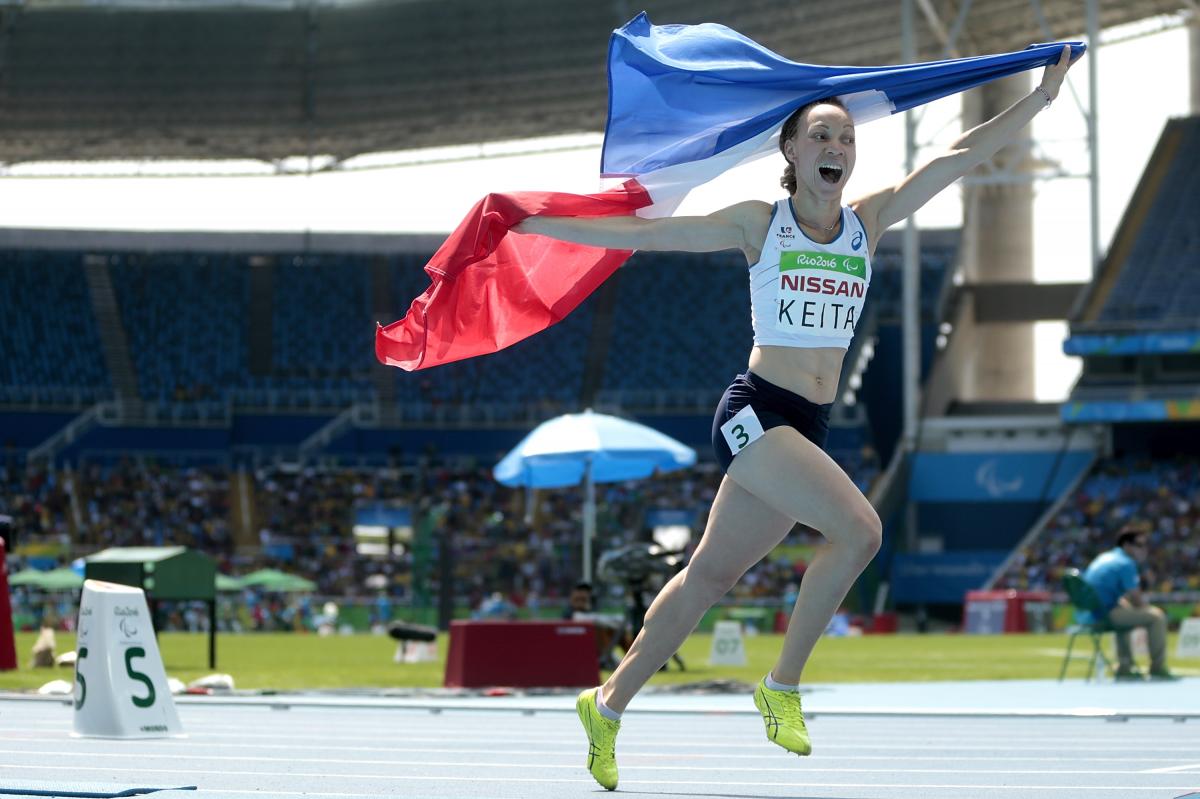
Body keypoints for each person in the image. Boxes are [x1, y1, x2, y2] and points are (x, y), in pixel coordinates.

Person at [516, 47, 1079, 791]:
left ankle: (607, 703)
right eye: (819, 135)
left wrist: (1041, 98)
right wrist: (535, 222)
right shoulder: (762, 224)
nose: (835, 146)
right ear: (788, 149)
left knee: (708, 576)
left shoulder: (867, 223)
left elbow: (961, 154)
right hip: (754, 412)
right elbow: (651, 236)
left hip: (805, 426)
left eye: (844, 137)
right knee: (862, 531)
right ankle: (781, 685)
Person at [1081, 525, 1176, 680]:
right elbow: (1137, 600)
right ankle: (1157, 669)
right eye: (1139, 545)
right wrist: (1149, 609)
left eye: (1145, 545)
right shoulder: (1125, 563)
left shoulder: (1105, 557)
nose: (1143, 549)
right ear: (1126, 545)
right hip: (1102, 615)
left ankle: (1125, 667)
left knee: (1124, 611)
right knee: (1157, 617)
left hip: (1088, 614)